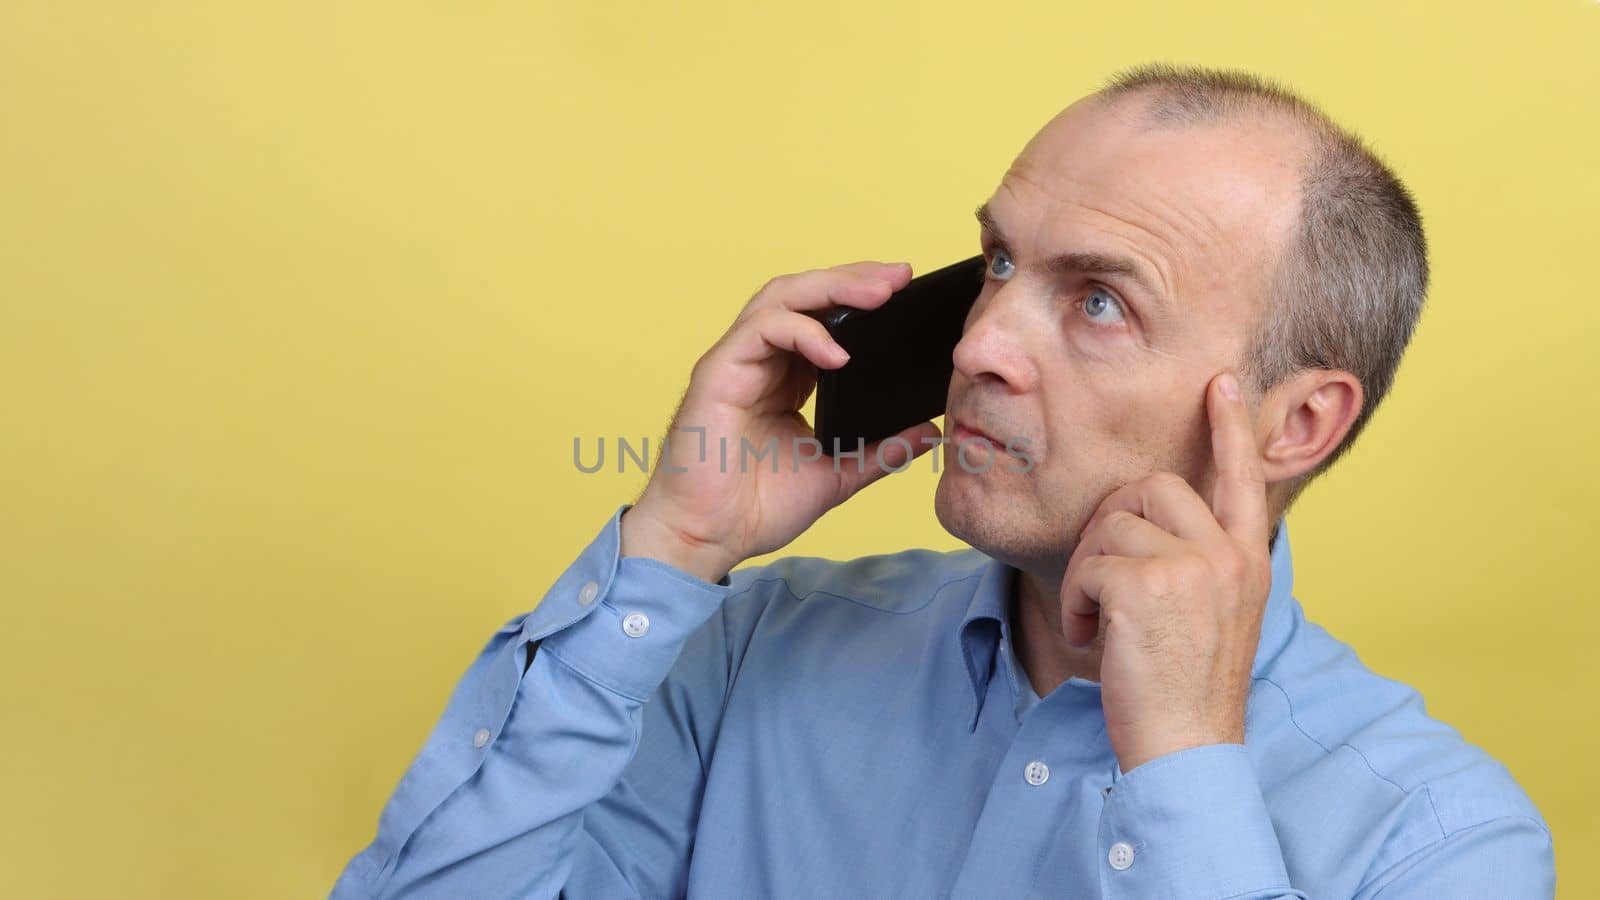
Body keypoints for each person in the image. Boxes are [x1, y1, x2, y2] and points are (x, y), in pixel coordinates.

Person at [331, 63, 1554, 899]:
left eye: (1097, 301)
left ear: (1295, 424)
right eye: (1000, 262)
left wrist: (1182, 760)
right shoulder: (752, 649)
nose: (975, 344)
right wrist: (671, 546)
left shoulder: (1436, 841)